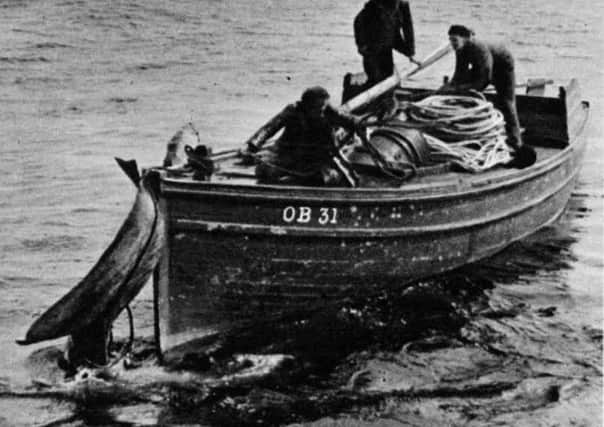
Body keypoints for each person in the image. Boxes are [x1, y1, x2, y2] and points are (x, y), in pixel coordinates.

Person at [439, 25, 536, 167]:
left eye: (454, 40)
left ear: (465, 38)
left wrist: (468, 91)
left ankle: (517, 144)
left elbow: (485, 78)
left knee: (507, 102)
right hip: (482, 67)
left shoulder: (479, 48)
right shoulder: (460, 48)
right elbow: (460, 73)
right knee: (457, 90)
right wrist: (449, 88)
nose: (452, 44)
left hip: (502, 67)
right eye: (450, 40)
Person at [242, 86, 363, 185]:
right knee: (264, 171)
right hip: (289, 154)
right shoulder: (293, 111)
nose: (322, 113)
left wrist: (359, 124)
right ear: (306, 106)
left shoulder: (328, 111)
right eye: (318, 109)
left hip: (318, 158)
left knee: (333, 179)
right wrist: (252, 146)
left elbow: (351, 121)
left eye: (324, 108)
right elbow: (269, 128)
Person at [354, 0, 418, 85]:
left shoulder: (402, 5)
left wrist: (410, 52)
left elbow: (406, 29)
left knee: (387, 76)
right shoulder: (372, 9)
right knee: (376, 79)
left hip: (384, 46)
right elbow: (360, 26)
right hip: (370, 43)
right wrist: (364, 49)